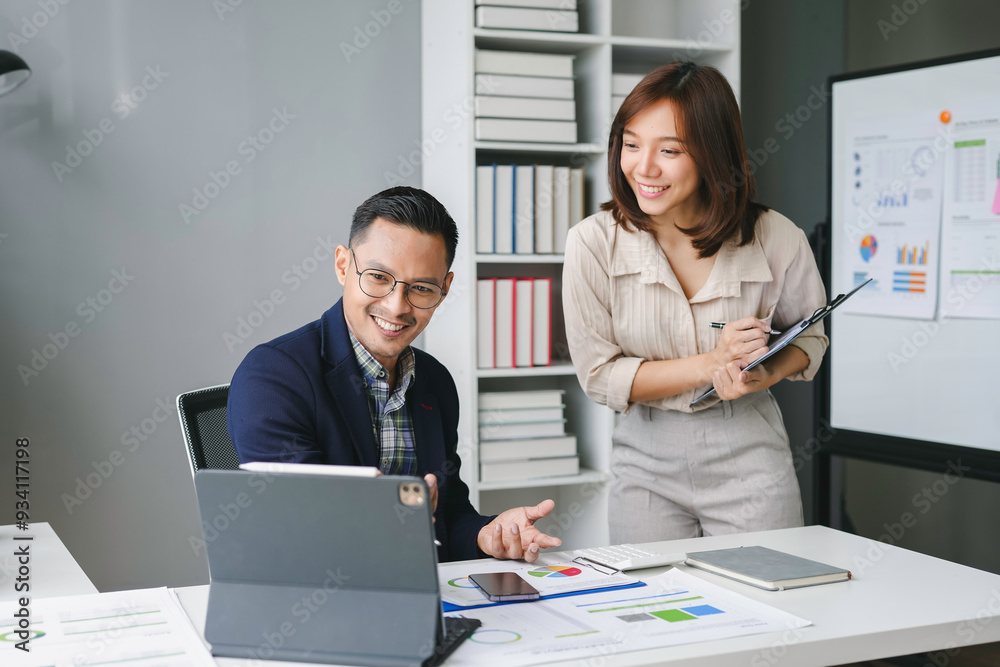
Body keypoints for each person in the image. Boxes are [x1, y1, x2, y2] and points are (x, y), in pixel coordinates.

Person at [563, 62, 829, 543]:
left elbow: (810, 338)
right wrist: (710, 364)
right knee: (648, 591)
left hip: (749, 455)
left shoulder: (776, 236)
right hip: (645, 460)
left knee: (766, 588)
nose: (644, 168)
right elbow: (599, 376)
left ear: (713, 152)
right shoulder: (592, 242)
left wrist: (764, 373)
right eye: (631, 145)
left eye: (669, 150)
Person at [228, 186, 561, 562]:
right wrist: (397, 517)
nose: (397, 306)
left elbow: (448, 514)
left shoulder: (434, 381)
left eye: (421, 288)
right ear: (343, 266)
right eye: (378, 277)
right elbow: (297, 526)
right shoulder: (273, 377)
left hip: (422, 585)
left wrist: (486, 534)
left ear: (444, 290)